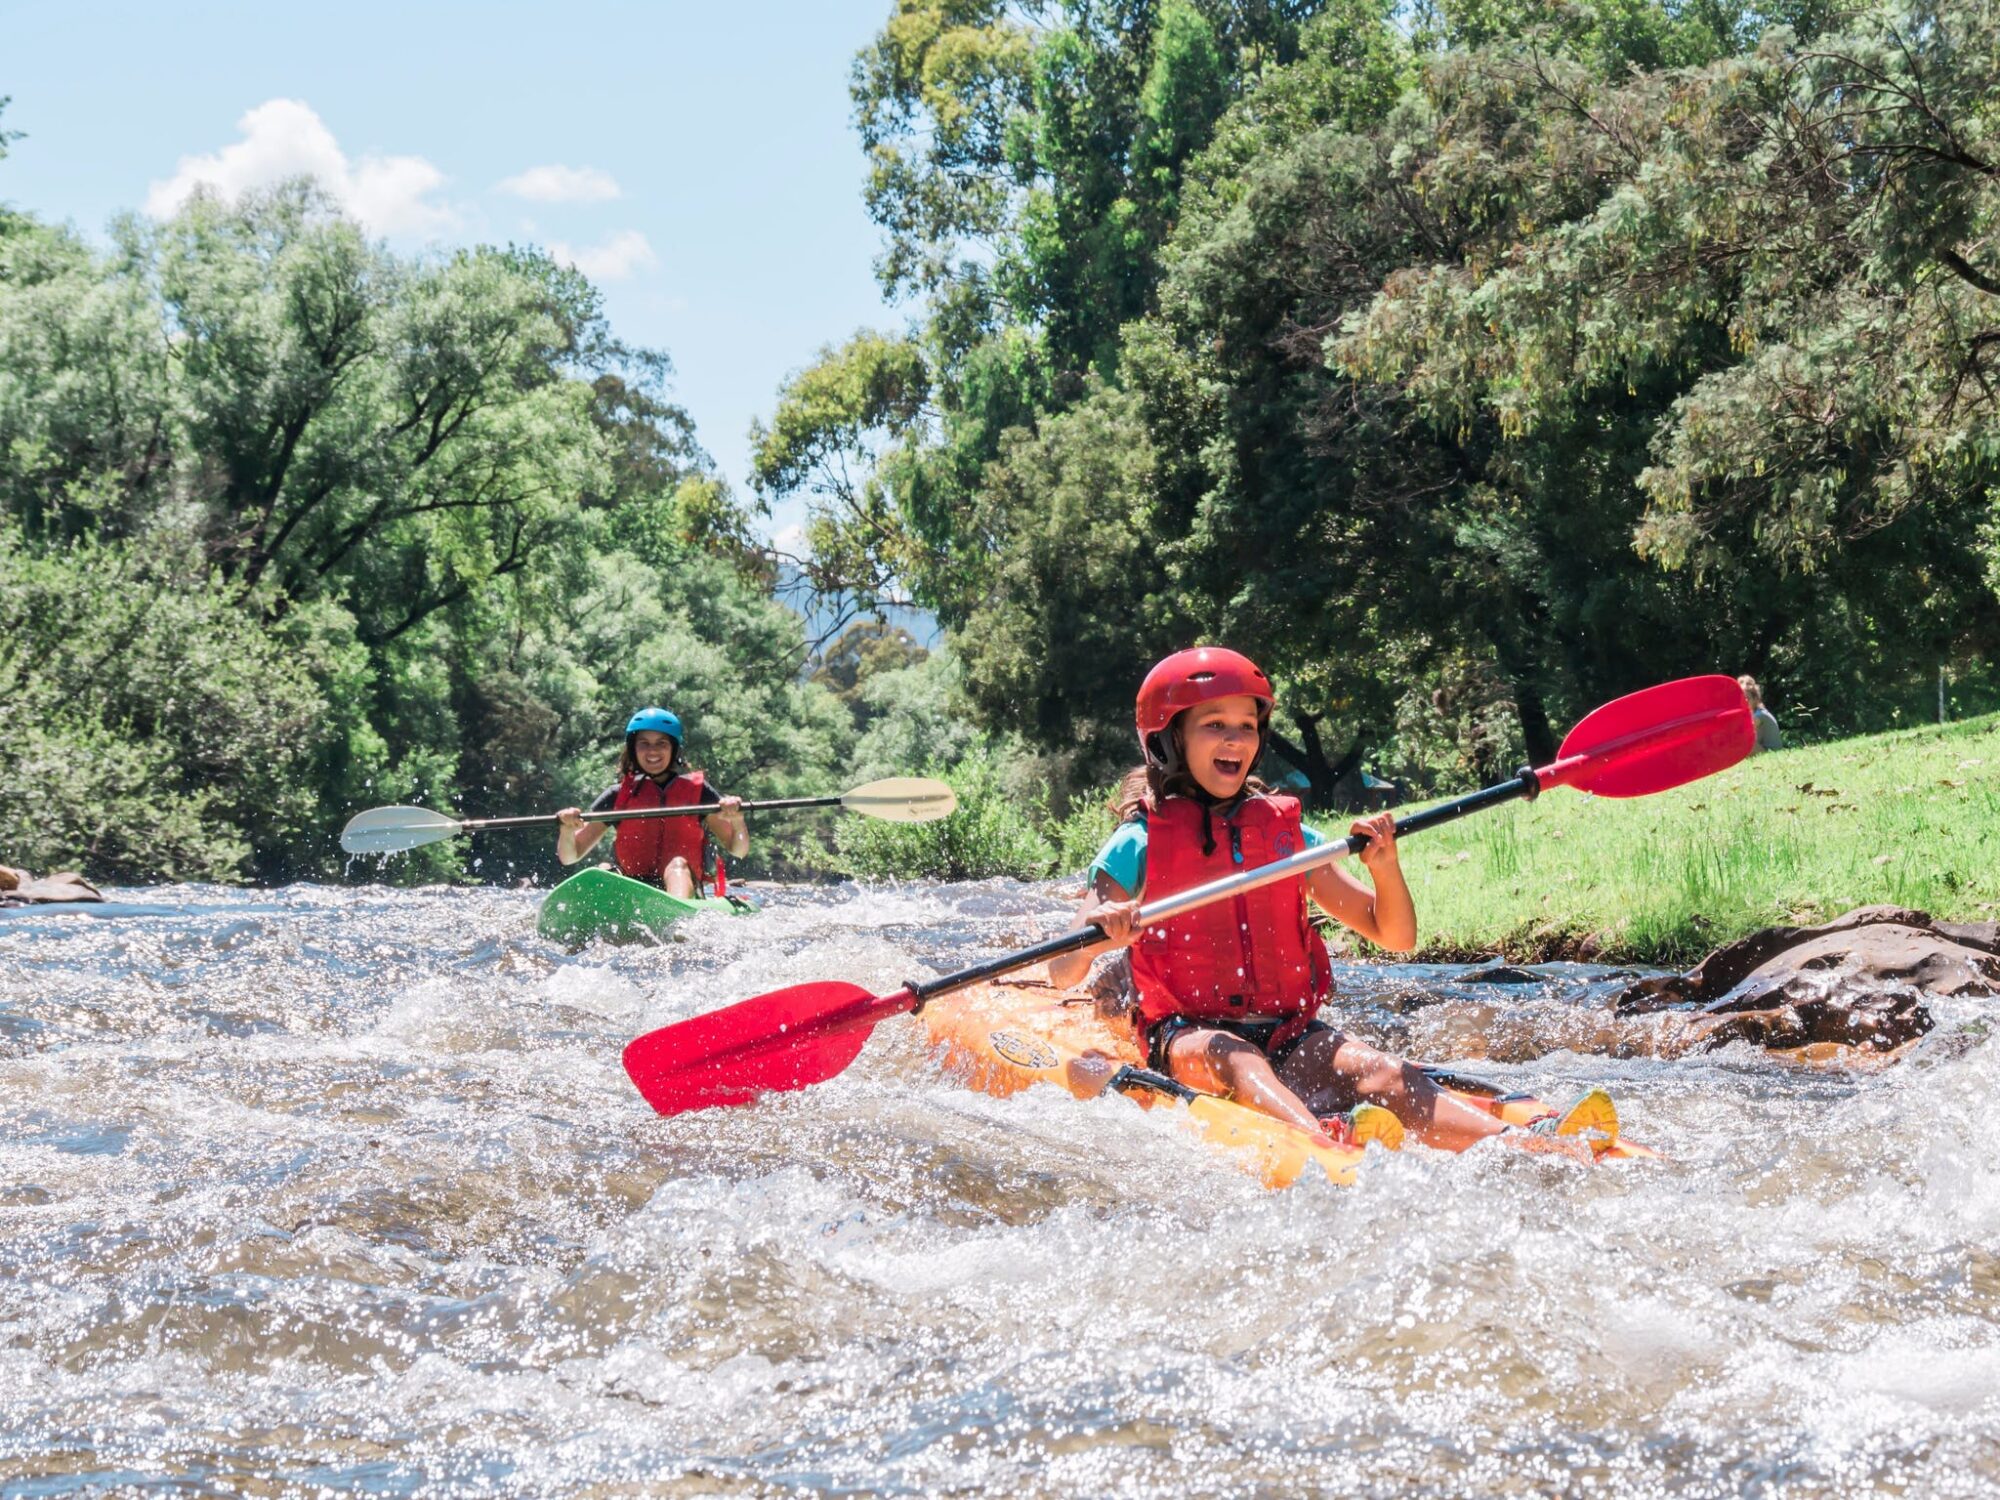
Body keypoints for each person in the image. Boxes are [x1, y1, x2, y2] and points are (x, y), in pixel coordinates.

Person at [1048, 647, 1610, 1156]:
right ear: (1168, 740)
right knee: (1236, 1057)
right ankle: (1325, 1145)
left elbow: (1393, 935)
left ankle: (1525, 1144)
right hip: (1188, 1036)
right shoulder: (1138, 841)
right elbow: (1059, 971)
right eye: (1214, 725)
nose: (1236, 740)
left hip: (1288, 1031)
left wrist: (1385, 869)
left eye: (1247, 725)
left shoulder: (1289, 838)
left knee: (1384, 1070)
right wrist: (1105, 928)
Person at [556, 708, 748, 898]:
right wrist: (567, 831)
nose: (652, 750)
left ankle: (676, 912)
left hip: (684, 886)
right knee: (604, 871)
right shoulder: (617, 795)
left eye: (661, 743)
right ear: (633, 749)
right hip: (634, 890)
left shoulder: (700, 792)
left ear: (674, 748)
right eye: (644, 744)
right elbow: (570, 856)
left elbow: (738, 850)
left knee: (677, 865)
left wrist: (737, 820)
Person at [1738, 676, 1782, 753]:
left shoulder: (1760, 715)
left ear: (1756, 699)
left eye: (1747, 699)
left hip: (1771, 752)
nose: (1743, 702)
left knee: (1742, 742)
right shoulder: (1755, 713)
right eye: (1740, 699)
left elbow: (1742, 733)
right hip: (1764, 749)